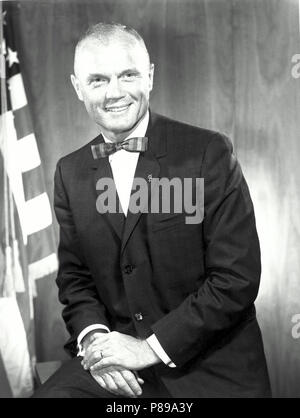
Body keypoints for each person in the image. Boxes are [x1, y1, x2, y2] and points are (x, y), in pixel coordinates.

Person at [33, 22, 271, 398]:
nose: (115, 93)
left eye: (128, 75)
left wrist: (145, 350)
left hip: (206, 365)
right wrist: (98, 344)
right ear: (77, 87)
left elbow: (235, 278)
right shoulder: (70, 171)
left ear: (150, 77)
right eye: (97, 80)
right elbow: (76, 279)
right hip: (115, 366)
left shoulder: (208, 153)